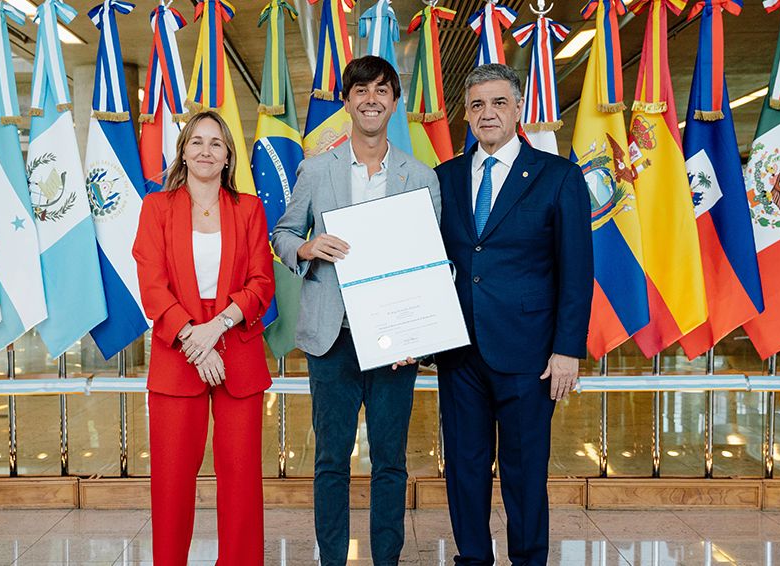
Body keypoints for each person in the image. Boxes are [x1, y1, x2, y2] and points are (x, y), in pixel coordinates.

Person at [271, 55, 440, 565]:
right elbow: (282, 232)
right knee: (330, 461)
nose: (371, 99)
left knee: (390, 462)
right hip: (332, 337)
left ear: (394, 101)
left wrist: (418, 337)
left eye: (382, 90)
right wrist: (305, 248)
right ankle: (332, 560)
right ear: (346, 101)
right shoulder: (316, 169)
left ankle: (386, 558)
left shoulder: (422, 177)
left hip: (394, 342)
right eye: (360, 90)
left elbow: (432, 263)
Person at [434, 64, 593, 565]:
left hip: (530, 356)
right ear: (466, 112)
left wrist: (568, 349)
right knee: (465, 469)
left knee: (526, 472)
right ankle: (473, 559)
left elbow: (576, 271)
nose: (487, 114)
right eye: (478, 105)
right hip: (459, 353)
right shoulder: (446, 177)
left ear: (518, 108)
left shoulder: (558, 176)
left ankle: (528, 560)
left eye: (498, 103)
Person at [132, 110, 275, 566]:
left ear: (229, 155)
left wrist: (215, 329)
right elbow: (151, 283)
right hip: (180, 351)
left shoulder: (249, 208)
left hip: (236, 344)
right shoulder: (156, 207)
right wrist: (194, 338)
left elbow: (261, 283)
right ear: (183, 151)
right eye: (197, 142)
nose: (206, 151)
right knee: (172, 479)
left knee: (241, 479)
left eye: (216, 143)